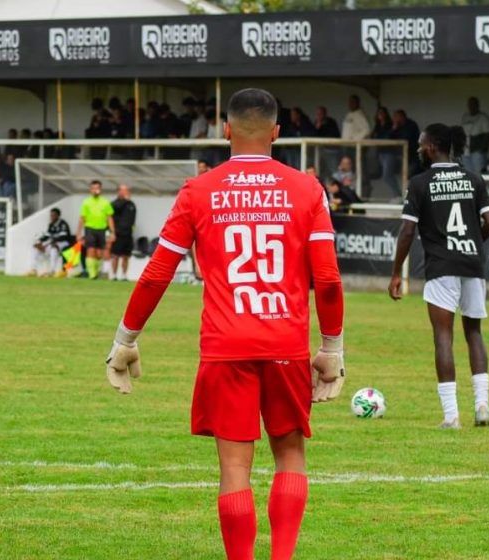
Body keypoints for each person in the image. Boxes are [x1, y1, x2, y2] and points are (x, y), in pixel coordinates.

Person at [103, 88, 345, 560]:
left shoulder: (199, 190)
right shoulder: (307, 188)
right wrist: (331, 347)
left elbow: (156, 273)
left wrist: (125, 338)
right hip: (286, 343)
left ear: (225, 130)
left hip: (225, 346)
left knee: (235, 469)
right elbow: (329, 279)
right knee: (290, 455)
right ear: (277, 133)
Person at [388, 123, 489, 429]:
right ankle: (482, 406)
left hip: (441, 267)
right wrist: (475, 243)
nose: (419, 149)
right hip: (472, 264)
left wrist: (396, 272)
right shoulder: (474, 179)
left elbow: (407, 230)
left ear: (432, 147)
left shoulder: (421, 183)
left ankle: (451, 416)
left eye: (421, 144)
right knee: (474, 332)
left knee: (443, 337)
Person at [76, 180, 116, 280]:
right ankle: (92, 274)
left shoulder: (105, 202)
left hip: (102, 229)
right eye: (93, 188)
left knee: (99, 253)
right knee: (90, 250)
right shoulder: (86, 202)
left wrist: (112, 232)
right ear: (90, 190)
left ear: (100, 189)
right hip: (90, 229)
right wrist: (78, 232)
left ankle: (97, 272)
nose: (95, 190)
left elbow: (109, 218)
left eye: (97, 188)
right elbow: (82, 218)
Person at [28, 207, 73, 278]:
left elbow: (63, 237)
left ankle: (52, 271)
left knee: (53, 248)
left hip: (64, 243)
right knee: (35, 247)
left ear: (58, 216)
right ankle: (33, 270)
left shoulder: (63, 224)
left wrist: (49, 243)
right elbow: (47, 236)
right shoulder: (51, 225)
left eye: (54, 215)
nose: (52, 217)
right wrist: (39, 242)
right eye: (51, 215)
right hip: (53, 243)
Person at [110, 184, 137, 281]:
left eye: (127, 190)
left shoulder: (131, 204)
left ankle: (124, 275)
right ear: (119, 191)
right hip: (118, 233)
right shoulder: (114, 204)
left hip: (128, 234)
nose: (126, 192)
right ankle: (114, 274)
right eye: (124, 190)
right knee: (115, 255)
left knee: (126, 255)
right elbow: (112, 216)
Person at [461, 97, 489, 174]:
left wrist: (482, 149)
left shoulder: (483, 118)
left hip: (477, 151)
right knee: (467, 173)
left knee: (478, 174)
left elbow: (488, 134)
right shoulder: (465, 117)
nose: (471, 106)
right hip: (465, 150)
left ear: (477, 105)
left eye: (473, 104)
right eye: (470, 104)